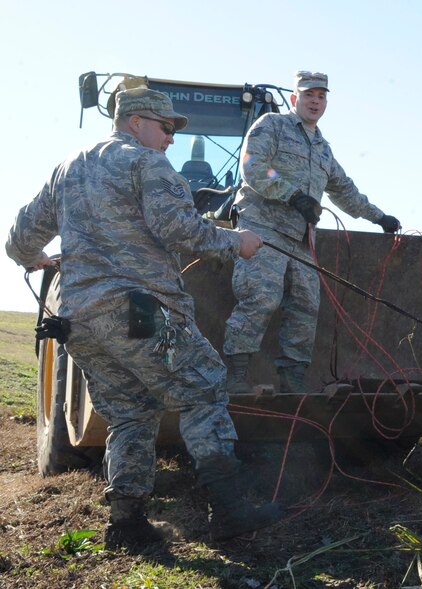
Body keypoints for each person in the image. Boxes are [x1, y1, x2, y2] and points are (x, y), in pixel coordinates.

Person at [5, 87, 282, 550]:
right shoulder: (146, 162)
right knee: (204, 387)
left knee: (130, 414)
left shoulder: (68, 168)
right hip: (140, 311)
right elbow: (176, 226)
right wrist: (238, 243)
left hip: (80, 321)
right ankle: (231, 511)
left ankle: (127, 525)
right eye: (166, 126)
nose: (171, 138)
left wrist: (37, 258)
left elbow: (17, 240)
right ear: (135, 121)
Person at [223, 71, 401, 393]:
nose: (315, 101)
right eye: (308, 95)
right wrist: (292, 193)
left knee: (306, 309)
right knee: (261, 297)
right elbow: (254, 165)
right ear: (295, 99)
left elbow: (343, 189)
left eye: (321, 96)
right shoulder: (271, 126)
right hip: (264, 229)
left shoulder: (322, 149)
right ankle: (236, 378)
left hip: (303, 240)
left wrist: (378, 217)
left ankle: (292, 385)